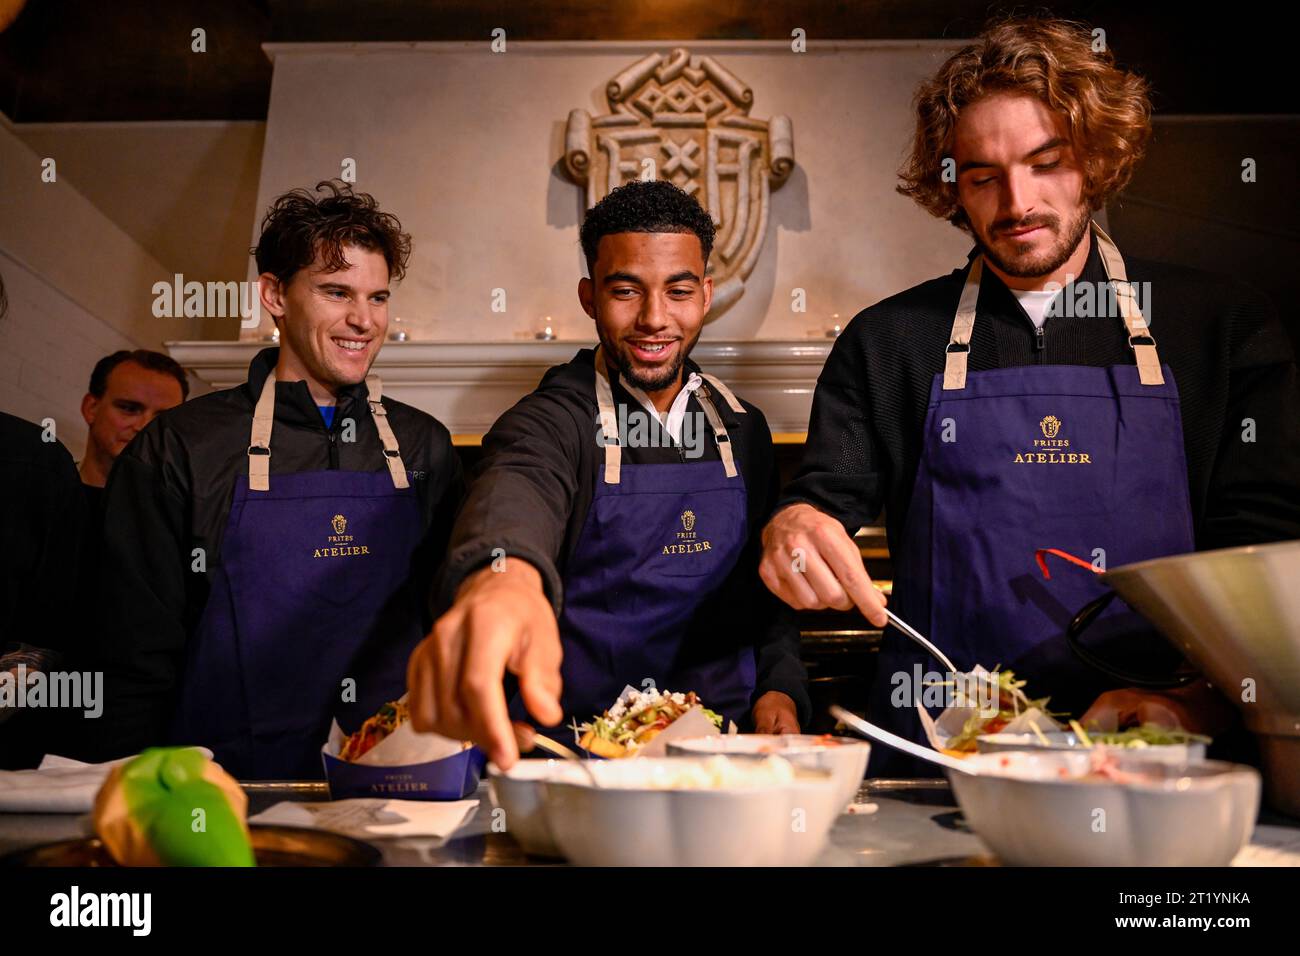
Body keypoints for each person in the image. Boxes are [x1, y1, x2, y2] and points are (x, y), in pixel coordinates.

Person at [759, 16, 1300, 773]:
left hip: (1158, 756)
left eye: (1048, 163)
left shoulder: (1221, 326)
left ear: (1098, 156)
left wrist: (1196, 701)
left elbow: (1264, 561)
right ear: (952, 185)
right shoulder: (890, 342)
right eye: (982, 176)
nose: (1017, 203)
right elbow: (823, 500)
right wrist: (796, 523)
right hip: (941, 762)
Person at [407, 180, 810, 769]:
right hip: (581, 766)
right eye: (626, 291)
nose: (654, 319)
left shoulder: (743, 427)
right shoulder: (552, 421)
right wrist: (503, 577)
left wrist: (780, 684)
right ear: (589, 296)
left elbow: (766, 597)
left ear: (706, 294)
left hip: (727, 759)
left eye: (678, 291)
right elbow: (517, 490)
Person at [94, 180, 465, 778]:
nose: (363, 321)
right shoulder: (183, 445)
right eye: (336, 292)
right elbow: (135, 654)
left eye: (377, 297)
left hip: (392, 782)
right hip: (231, 785)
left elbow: (453, 621)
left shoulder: (424, 445)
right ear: (274, 295)